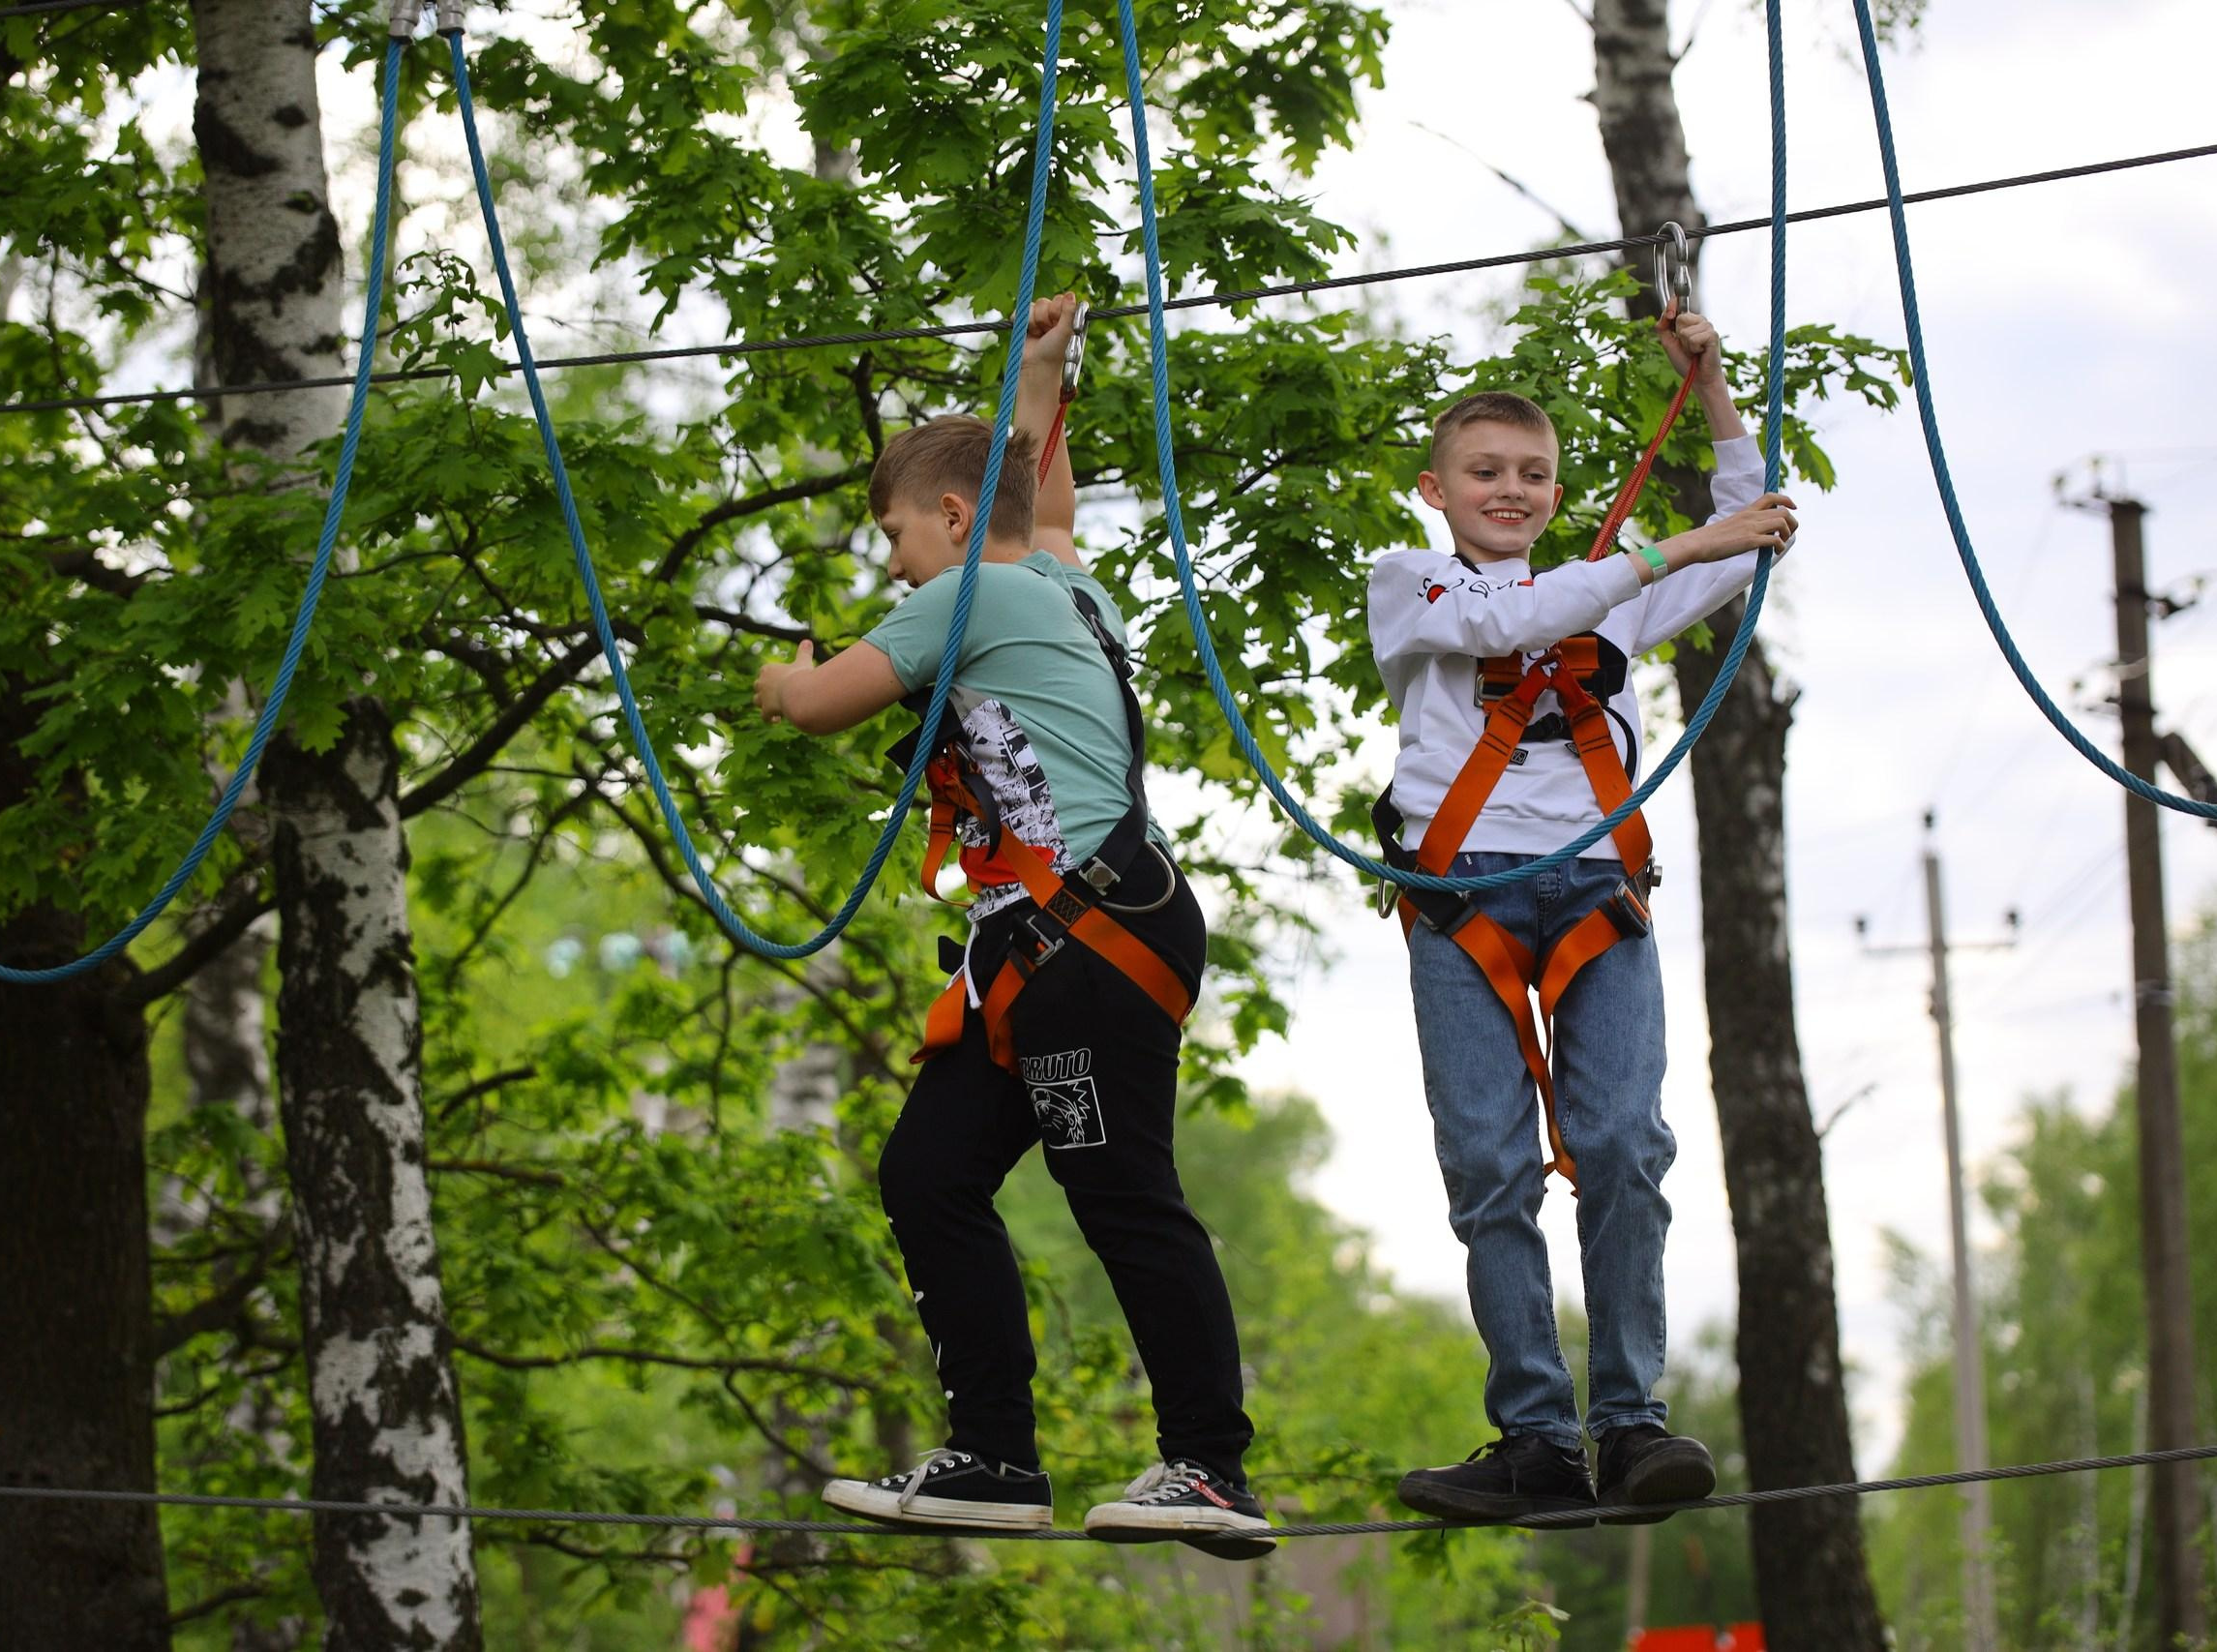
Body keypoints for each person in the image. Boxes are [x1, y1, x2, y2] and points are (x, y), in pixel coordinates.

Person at [755, 295, 1273, 1559]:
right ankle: (993, 1453)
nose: (890, 567)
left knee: (1120, 1190)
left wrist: (776, 678)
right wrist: (1041, 370)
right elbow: (1036, 494)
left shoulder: (968, 592)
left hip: (1081, 941)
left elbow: (824, 703)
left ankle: (1207, 1461)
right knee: (927, 1175)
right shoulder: (1052, 572)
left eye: (893, 535)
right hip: (1050, 949)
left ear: (942, 519)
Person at [1371, 310, 1798, 1524]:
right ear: (1437, 489)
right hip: (1466, 900)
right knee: (1491, 1171)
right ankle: (1534, 1437)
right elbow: (1506, 623)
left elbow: (1746, 546)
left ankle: (1627, 1423)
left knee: (1621, 1146)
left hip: (1596, 891)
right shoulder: (1411, 584)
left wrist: (1711, 394)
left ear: (1557, 493)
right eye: (1485, 472)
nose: (1509, 489)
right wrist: (1667, 549)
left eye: (1532, 475)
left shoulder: (1608, 593)